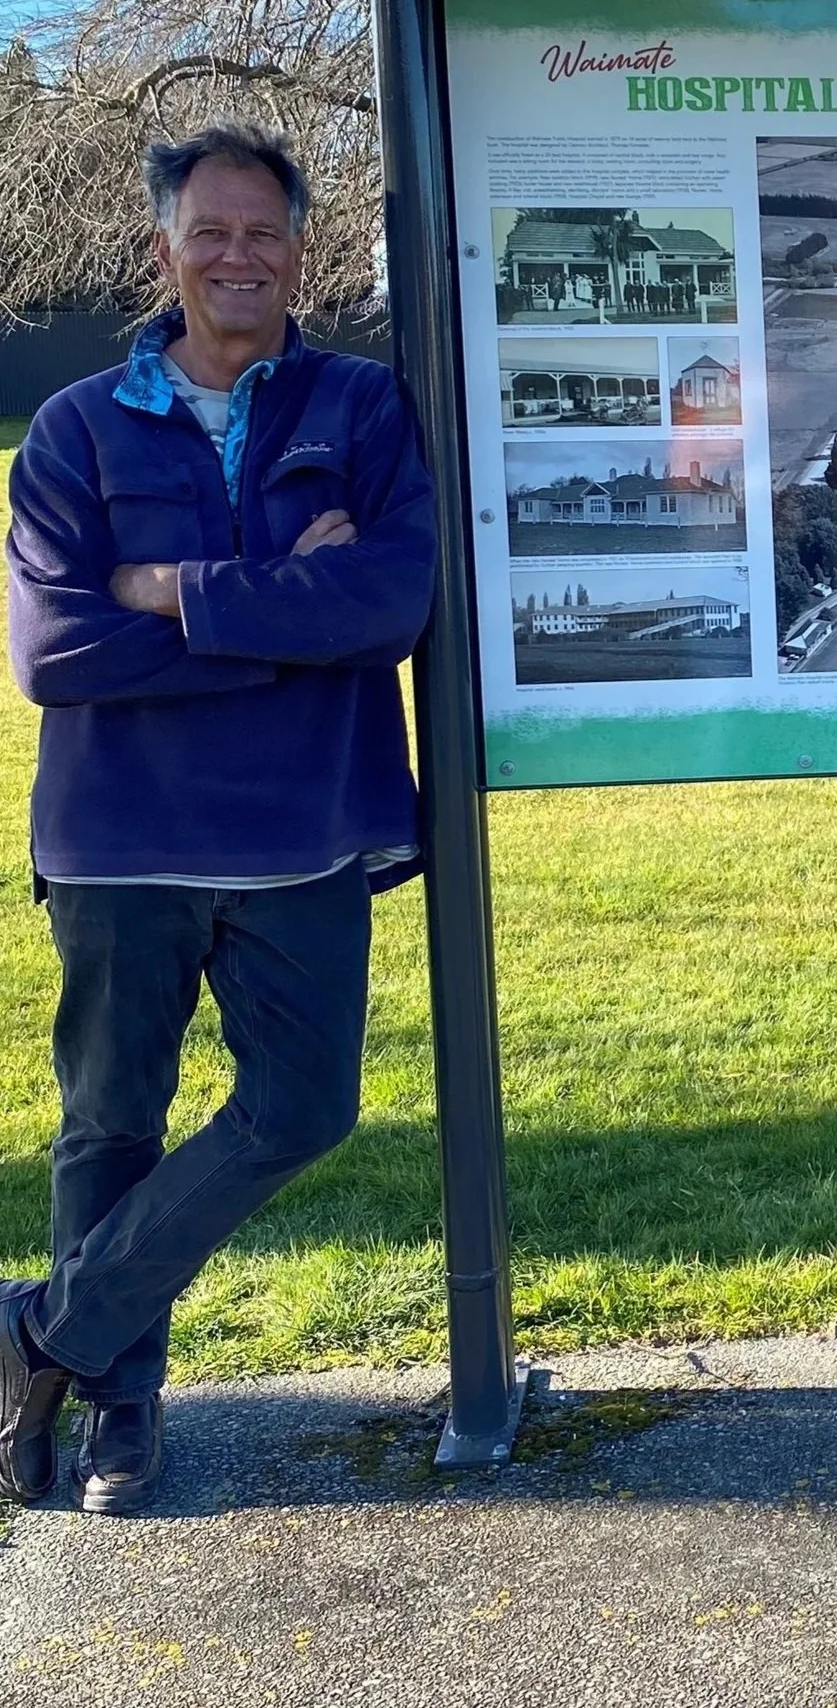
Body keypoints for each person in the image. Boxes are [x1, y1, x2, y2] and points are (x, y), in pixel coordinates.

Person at [0, 125, 434, 1515]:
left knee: (303, 1108)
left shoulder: (360, 405)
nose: (238, 254)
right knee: (108, 1124)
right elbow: (55, 650)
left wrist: (172, 590)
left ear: (301, 250)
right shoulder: (74, 428)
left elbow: (390, 601)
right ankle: (116, 1409)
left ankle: (46, 1334)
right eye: (211, 231)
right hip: (118, 842)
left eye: (264, 230)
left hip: (306, 833)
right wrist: (276, 609)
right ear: (165, 250)